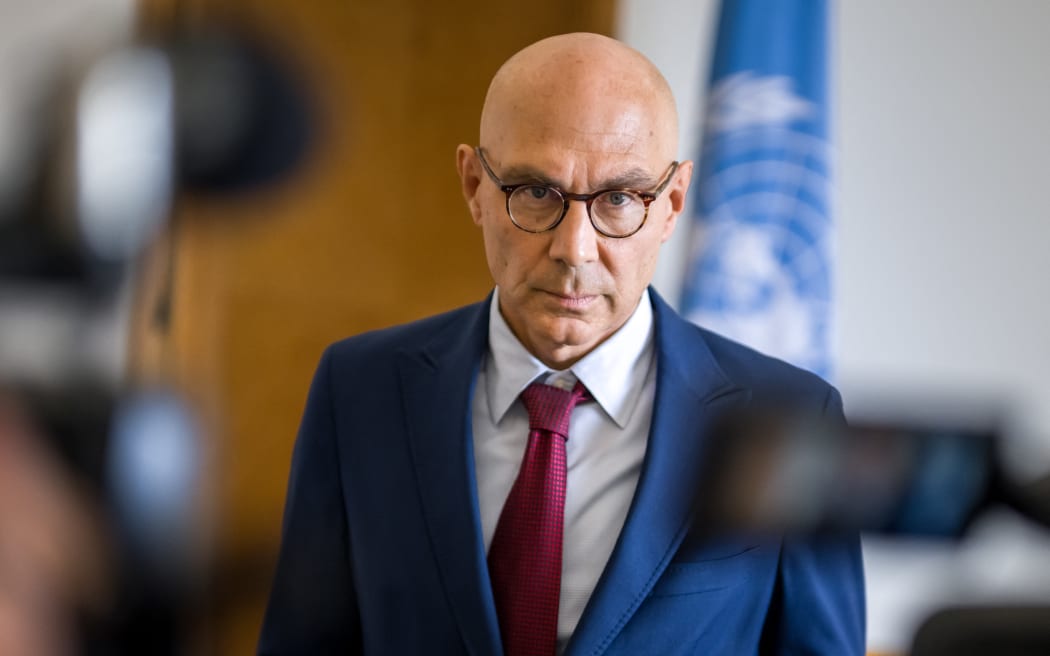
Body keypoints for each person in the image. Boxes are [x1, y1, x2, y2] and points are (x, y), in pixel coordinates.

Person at [258, 32, 864, 655]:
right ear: (473, 186)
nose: (573, 249)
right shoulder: (360, 389)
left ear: (672, 203)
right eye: (536, 193)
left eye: (620, 199)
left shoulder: (790, 418)